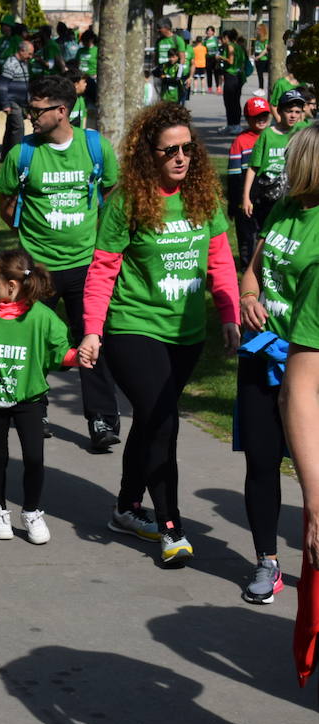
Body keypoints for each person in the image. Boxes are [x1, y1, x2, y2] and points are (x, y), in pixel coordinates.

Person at [77, 102, 240, 566]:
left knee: (151, 420)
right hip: (133, 327)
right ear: (150, 153)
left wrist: (228, 315)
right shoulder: (127, 200)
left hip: (185, 334)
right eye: (171, 150)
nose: (182, 158)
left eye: (188, 148)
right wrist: (92, 331)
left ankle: (127, 507)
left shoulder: (203, 197)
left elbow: (220, 262)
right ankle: (171, 526)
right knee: (163, 420)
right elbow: (103, 270)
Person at [0, 74, 120, 450]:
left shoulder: (95, 146)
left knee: (92, 338)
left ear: (62, 111)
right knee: (34, 339)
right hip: (38, 267)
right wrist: (32, 241)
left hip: (85, 264)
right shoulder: (23, 153)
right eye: (30, 108)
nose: (31, 115)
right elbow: (5, 203)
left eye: (37, 109)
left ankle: (101, 418)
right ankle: (37, 407)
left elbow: (111, 193)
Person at [241, 124, 319, 602]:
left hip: (305, 371)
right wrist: (249, 294)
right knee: (262, 462)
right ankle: (267, 561)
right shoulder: (287, 208)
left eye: (292, 160)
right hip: (261, 354)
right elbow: (253, 267)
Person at [0, 250, 76, 543]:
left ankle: (32, 511)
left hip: (29, 399)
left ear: (12, 285)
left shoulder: (42, 317)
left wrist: (79, 356)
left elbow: (60, 352)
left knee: (34, 458)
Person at [243, 89, 310, 233]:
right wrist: (246, 197)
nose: (293, 115)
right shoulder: (268, 134)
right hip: (267, 195)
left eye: (297, 112)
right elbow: (253, 167)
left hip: (292, 195)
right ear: (279, 111)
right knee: (265, 231)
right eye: (289, 111)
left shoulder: (302, 132)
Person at [229, 97, 273, 269]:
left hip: (268, 197)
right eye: (256, 116)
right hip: (246, 197)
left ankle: (265, 265)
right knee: (247, 236)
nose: (261, 119)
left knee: (266, 233)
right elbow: (234, 175)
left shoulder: (273, 136)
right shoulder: (240, 141)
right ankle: (247, 266)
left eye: (264, 115)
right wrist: (234, 203)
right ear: (247, 118)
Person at [220, 30, 245, 134]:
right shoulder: (239, 46)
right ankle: (234, 125)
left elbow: (230, 61)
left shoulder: (230, 46)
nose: (222, 40)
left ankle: (233, 125)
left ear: (226, 37)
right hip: (238, 76)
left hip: (231, 75)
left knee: (229, 101)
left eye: (223, 38)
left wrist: (220, 57)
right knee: (235, 101)